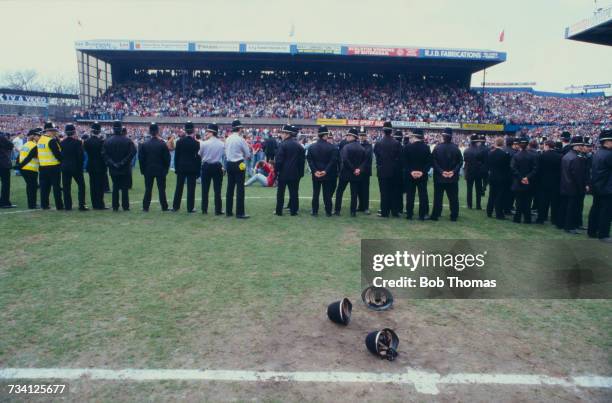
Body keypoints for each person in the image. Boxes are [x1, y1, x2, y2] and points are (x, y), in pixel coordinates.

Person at [103, 120, 136, 211]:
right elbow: (133, 152)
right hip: (124, 168)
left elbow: (104, 155)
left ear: (113, 129)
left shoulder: (107, 141)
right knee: (124, 188)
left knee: (115, 187)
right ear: (121, 129)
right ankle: (125, 206)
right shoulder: (127, 141)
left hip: (113, 168)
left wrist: (112, 163)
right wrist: (123, 162)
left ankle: (115, 206)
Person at [431, 128, 463, 221]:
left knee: (438, 198)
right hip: (452, 177)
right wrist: (453, 171)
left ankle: (436, 214)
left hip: (439, 177)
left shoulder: (437, 147)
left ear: (443, 136)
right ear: (451, 137)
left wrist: (441, 171)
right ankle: (454, 216)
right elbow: (460, 162)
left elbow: (433, 162)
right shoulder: (456, 148)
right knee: (453, 198)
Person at [306, 125, 338, 217]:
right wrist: (325, 171)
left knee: (315, 193)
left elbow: (309, 160)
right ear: (325, 135)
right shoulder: (332, 147)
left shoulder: (312, 147)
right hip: (327, 174)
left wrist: (315, 171)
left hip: (316, 174)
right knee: (327, 193)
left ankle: (314, 211)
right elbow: (333, 161)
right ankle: (328, 211)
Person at [139, 122, 171, 212]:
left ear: (150, 132)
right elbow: (167, 159)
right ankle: (164, 207)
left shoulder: (144, 144)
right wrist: (165, 170)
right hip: (160, 170)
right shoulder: (162, 144)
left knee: (148, 189)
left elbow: (141, 159)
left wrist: (143, 170)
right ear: (157, 131)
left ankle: (145, 207)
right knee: (161, 189)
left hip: (148, 170)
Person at [559, 136, 588, 234]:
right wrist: (582, 187)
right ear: (575, 146)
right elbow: (577, 176)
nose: (581, 147)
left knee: (565, 207)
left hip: (565, 186)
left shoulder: (566, 156)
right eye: (580, 145)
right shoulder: (576, 158)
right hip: (573, 187)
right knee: (572, 208)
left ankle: (564, 224)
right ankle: (569, 227)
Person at [275, 125, 305, 216]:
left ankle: (279, 211)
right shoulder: (298, 146)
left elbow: (279, 161)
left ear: (287, 134)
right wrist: (300, 173)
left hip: (283, 173)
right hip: (295, 173)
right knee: (294, 193)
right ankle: (294, 211)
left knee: (280, 193)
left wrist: (277, 171)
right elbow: (302, 161)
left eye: (283, 133)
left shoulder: (282, 145)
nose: (281, 135)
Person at [587, 129, 612, 242]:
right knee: (605, 211)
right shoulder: (609, 154)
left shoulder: (598, 153)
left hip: (597, 186)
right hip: (607, 187)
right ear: (606, 141)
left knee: (596, 209)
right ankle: (603, 234)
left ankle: (592, 231)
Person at [402, 128, 431, 220]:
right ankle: (422, 214)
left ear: (414, 136)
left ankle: (409, 214)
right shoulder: (426, 148)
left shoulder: (407, 147)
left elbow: (404, 162)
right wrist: (422, 171)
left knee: (410, 194)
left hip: (410, 175)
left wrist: (411, 171)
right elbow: (429, 163)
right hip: (422, 175)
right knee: (423, 195)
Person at [172, 121, 201, 212]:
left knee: (179, 187)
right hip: (192, 168)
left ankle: (175, 206)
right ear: (193, 130)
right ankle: (190, 207)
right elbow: (198, 159)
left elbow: (176, 157)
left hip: (181, 167)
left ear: (185, 130)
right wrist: (198, 171)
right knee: (191, 189)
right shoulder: (196, 143)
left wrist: (176, 168)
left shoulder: (180, 142)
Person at [374, 121, 401, 217]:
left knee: (384, 192)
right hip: (394, 171)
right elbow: (399, 158)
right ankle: (394, 211)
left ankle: (384, 212)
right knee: (394, 191)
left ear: (383, 131)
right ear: (391, 131)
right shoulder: (397, 143)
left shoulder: (378, 143)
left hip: (382, 171)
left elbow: (377, 156)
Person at [224, 119, 251, 219]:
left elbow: (226, 152)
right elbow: (247, 154)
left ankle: (228, 211)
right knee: (240, 189)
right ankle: (240, 213)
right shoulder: (241, 140)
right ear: (239, 129)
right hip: (239, 164)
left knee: (230, 188)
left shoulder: (227, 139)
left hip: (229, 163)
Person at [338, 127, 367, 217]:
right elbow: (365, 161)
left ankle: (337, 210)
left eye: (348, 135)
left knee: (339, 191)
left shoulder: (346, 147)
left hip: (346, 173)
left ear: (352, 136)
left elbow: (345, 160)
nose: (347, 137)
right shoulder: (362, 148)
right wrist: (358, 169)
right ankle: (353, 212)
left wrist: (353, 169)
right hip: (356, 174)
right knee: (354, 194)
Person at [510, 136, 539, 224]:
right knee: (528, 201)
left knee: (518, 201)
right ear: (527, 145)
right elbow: (535, 169)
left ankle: (517, 219)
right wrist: (527, 177)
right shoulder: (532, 155)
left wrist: (521, 178)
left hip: (519, 182)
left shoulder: (516, 155)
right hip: (528, 182)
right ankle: (527, 219)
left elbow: (513, 168)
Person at [60, 124, 88, 211]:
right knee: (81, 186)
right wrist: (80, 167)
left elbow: (61, 155)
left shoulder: (62, 143)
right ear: (74, 132)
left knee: (66, 187)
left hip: (65, 167)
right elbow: (81, 157)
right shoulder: (78, 143)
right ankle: (81, 205)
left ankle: (68, 206)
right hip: (76, 167)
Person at [37, 122, 64, 210]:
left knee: (44, 187)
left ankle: (44, 205)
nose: (55, 132)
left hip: (42, 167)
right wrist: (62, 161)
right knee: (56, 187)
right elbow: (57, 154)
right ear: (49, 131)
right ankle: (59, 205)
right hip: (53, 166)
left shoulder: (40, 140)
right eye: (53, 131)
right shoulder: (51, 141)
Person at [199, 123, 225, 215]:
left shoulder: (204, 143)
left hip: (206, 166)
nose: (206, 133)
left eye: (208, 132)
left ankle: (204, 209)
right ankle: (218, 210)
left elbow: (200, 155)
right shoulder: (222, 144)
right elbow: (223, 156)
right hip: (217, 166)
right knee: (217, 190)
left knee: (205, 189)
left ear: (211, 132)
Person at [536, 140, 562, 225]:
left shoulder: (541, 156)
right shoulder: (559, 156)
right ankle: (554, 219)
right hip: (555, 182)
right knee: (555, 202)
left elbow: (538, 170)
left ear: (547, 145)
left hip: (543, 182)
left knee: (543, 201)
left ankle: (541, 218)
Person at [13, 128, 41, 209]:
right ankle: (32, 204)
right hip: (31, 168)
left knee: (30, 186)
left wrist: (18, 166)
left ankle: (31, 203)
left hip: (24, 169)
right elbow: (31, 157)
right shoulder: (35, 146)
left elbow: (18, 157)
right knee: (33, 187)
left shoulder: (25, 145)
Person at [83, 121, 108, 210]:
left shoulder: (86, 142)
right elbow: (103, 155)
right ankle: (100, 204)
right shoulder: (101, 142)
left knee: (92, 185)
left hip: (91, 165)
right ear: (99, 131)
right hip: (100, 166)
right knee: (100, 186)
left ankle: (94, 204)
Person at [486, 137, 512, 220]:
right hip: (501, 177)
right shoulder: (505, 154)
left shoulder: (490, 153)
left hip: (492, 176)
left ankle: (489, 211)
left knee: (491, 195)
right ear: (503, 143)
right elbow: (508, 167)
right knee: (499, 196)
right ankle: (499, 214)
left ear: (495, 143)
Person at [463, 134, 486, 210]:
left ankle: (469, 205)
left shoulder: (466, 151)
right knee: (478, 190)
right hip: (478, 173)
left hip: (469, 172)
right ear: (477, 141)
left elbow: (466, 161)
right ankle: (478, 205)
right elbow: (483, 162)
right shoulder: (481, 151)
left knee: (469, 190)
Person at [357, 127, 373, 214]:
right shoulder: (357, 144)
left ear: (366, 136)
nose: (361, 137)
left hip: (365, 171)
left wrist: (360, 168)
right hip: (357, 171)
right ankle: (360, 206)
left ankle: (366, 207)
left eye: (363, 135)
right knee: (358, 189)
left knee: (365, 190)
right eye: (360, 135)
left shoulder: (369, 145)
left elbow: (367, 158)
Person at [0, 131, 16, 208]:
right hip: (3, 164)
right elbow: (11, 145)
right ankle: (4, 202)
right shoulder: (2, 137)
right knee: (5, 184)